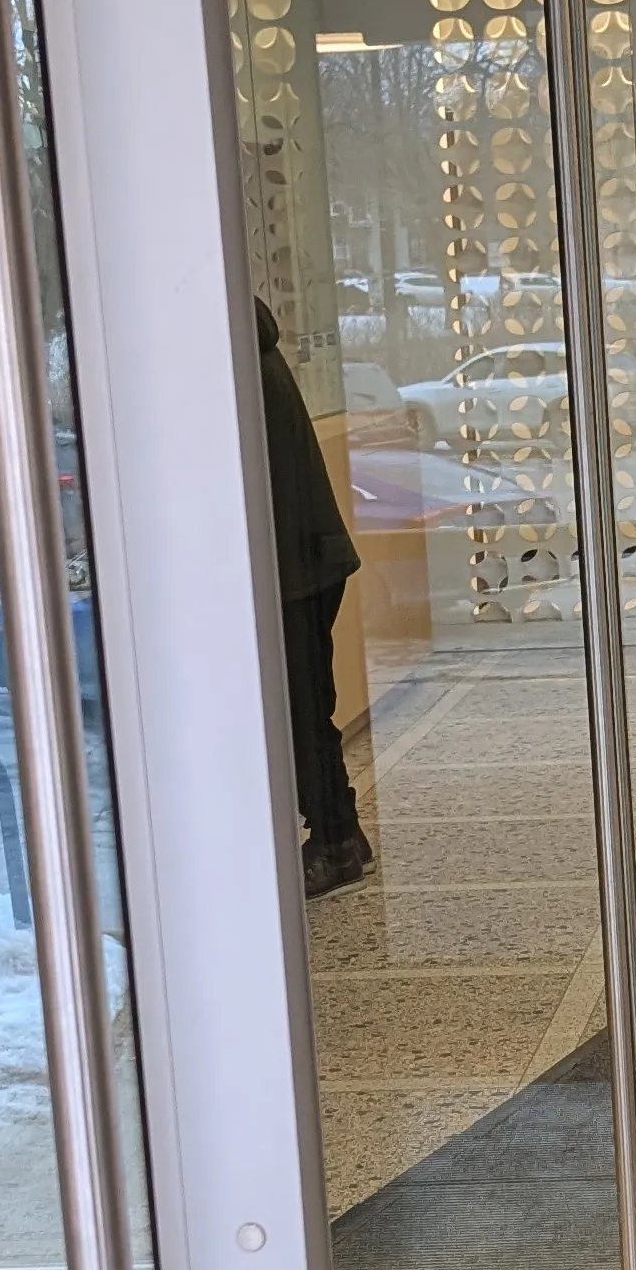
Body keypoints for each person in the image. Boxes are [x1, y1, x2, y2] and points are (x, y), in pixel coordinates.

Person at [254, 293, 371, 897]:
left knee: (299, 715)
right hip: (307, 559)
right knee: (307, 712)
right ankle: (341, 832)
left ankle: (333, 844)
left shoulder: (236, 363)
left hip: (291, 569)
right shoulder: (255, 350)